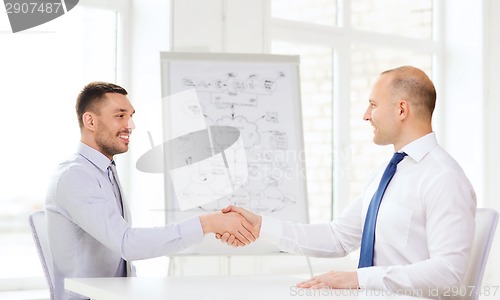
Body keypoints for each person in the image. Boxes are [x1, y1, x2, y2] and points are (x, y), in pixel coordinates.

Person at [218, 66, 477, 299]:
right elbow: (337, 237)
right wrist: (261, 226)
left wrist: (358, 279)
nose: (366, 115)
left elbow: (448, 273)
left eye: (373, 104)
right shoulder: (386, 173)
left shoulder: (444, 178)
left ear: (401, 109)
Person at [45, 82, 257, 300]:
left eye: (131, 116)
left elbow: (121, 260)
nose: (131, 125)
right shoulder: (75, 177)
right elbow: (126, 244)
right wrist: (207, 223)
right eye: (120, 116)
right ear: (90, 120)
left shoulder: (105, 171)